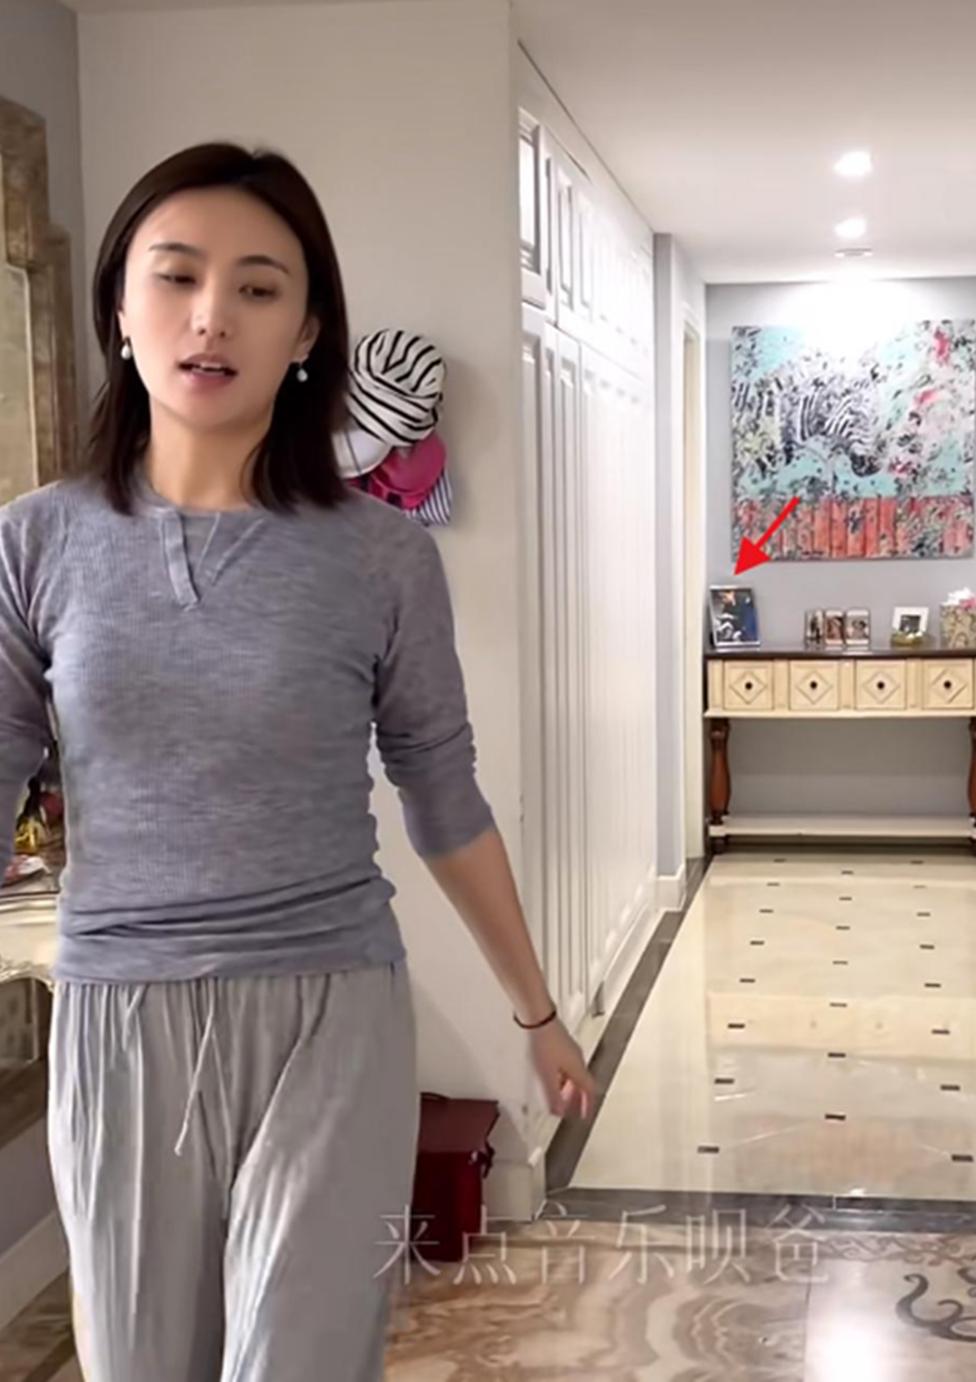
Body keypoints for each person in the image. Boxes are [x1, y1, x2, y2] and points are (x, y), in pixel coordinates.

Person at [0, 142, 597, 1382]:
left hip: (331, 1009)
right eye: (177, 275)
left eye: (259, 286)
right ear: (120, 307)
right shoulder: (36, 543)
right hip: (121, 1015)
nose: (212, 313)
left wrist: (536, 1011)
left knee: (306, 1359)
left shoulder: (381, 554)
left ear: (308, 330)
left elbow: (443, 790)